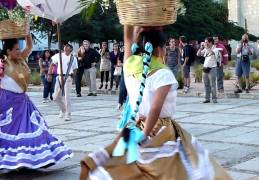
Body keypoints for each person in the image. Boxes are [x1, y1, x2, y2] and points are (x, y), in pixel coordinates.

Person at [79, 26, 231, 180]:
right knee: (178, 170)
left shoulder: (129, 65)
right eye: (164, 46)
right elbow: (155, 108)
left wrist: (130, 25)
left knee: (131, 170)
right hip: (160, 130)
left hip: (135, 127)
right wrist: (145, 135)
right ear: (159, 49)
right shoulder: (163, 74)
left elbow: (127, 42)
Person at [0, 36, 73, 169]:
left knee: (35, 130)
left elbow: (28, 47)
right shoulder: (2, 63)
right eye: (16, 49)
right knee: (11, 133)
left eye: (19, 48)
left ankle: (34, 159)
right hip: (8, 104)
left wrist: (27, 34)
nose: (19, 51)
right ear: (8, 51)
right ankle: (16, 160)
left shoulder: (20, 59)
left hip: (24, 104)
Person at [49, 43, 78, 121]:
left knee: (66, 97)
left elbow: (75, 69)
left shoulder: (73, 58)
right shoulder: (59, 55)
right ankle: (63, 109)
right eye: (65, 46)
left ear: (70, 49)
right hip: (59, 76)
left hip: (68, 77)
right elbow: (52, 64)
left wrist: (74, 78)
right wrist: (49, 74)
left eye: (67, 46)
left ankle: (68, 114)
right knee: (55, 97)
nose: (65, 47)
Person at [197, 38, 219, 103]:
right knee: (206, 84)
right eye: (205, 42)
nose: (205, 43)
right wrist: (201, 48)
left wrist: (207, 47)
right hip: (205, 68)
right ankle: (207, 98)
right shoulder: (205, 49)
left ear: (211, 42)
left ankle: (214, 99)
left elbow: (212, 53)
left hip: (212, 68)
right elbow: (198, 54)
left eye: (206, 42)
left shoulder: (215, 49)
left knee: (213, 84)